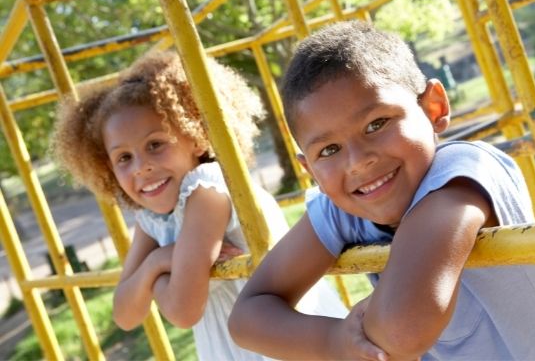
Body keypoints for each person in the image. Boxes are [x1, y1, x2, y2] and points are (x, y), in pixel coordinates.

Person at [229, 21, 535, 360]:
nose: (358, 162)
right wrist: (335, 340)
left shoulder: (461, 175)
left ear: (433, 107)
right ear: (309, 170)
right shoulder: (344, 206)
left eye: (376, 124)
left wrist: (346, 339)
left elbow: (401, 330)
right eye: (329, 150)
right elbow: (247, 316)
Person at [52, 51, 348, 360]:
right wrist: (159, 261)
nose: (141, 167)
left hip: (279, 337)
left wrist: (152, 274)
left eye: (155, 145)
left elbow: (183, 311)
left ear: (195, 137)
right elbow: (125, 315)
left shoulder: (208, 189)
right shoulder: (152, 218)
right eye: (124, 158)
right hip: (228, 346)